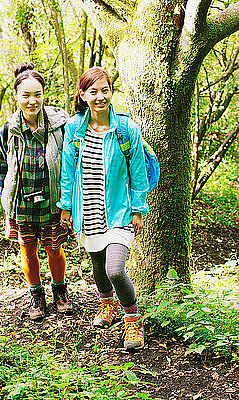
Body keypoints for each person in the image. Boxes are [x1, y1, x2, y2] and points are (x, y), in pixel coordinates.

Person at [58, 66, 149, 350]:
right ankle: (107, 305)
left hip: (120, 211)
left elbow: (138, 173)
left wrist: (138, 209)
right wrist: (66, 206)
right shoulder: (75, 127)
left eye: (105, 90)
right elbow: (68, 170)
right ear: (83, 95)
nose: (100, 97)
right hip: (87, 209)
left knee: (114, 269)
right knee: (98, 266)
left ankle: (133, 319)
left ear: (111, 92)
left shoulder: (126, 130)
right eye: (93, 91)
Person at [0, 62, 72, 321]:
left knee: (54, 249)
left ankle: (60, 293)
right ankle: (36, 296)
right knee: (27, 251)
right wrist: (6, 203)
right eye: (26, 95)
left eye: (37, 94)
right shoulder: (9, 129)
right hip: (21, 201)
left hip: (53, 200)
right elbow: (3, 168)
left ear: (44, 94)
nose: (32, 101)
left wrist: (68, 202)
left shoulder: (60, 124)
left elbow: (71, 163)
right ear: (16, 95)